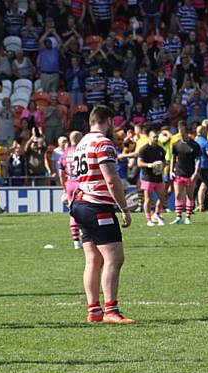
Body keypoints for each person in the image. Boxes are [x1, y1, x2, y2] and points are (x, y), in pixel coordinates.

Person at [70, 105, 134, 323]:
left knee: (93, 260)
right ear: (109, 121)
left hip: (81, 204)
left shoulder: (81, 144)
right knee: (115, 258)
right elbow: (111, 178)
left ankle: (94, 310)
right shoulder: (103, 143)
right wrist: (124, 208)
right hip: (97, 205)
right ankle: (111, 310)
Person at [170, 125, 202, 225]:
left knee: (190, 196)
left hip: (190, 174)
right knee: (178, 195)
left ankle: (188, 217)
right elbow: (173, 159)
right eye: (180, 133)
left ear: (187, 132)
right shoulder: (176, 144)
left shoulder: (194, 145)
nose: (181, 135)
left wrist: (195, 173)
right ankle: (178, 217)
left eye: (182, 133)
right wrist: (171, 171)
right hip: (179, 173)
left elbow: (198, 160)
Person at [137, 129, 167, 226]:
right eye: (154, 137)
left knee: (162, 198)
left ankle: (157, 214)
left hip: (158, 177)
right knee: (148, 199)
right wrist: (150, 165)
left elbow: (165, 162)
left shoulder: (161, 149)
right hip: (148, 177)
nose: (156, 138)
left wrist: (162, 165)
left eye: (157, 137)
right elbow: (139, 163)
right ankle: (148, 219)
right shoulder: (144, 149)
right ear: (149, 137)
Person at [59, 131, 83, 249]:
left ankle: (76, 242)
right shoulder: (82, 150)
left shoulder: (64, 153)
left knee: (72, 211)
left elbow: (60, 173)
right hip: (81, 182)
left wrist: (64, 187)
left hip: (69, 183)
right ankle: (85, 233)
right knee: (86, 208)